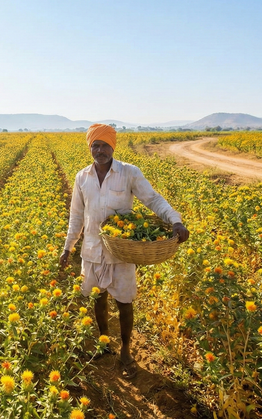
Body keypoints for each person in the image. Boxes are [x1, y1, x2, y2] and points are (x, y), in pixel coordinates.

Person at [59, 123, 190, 379]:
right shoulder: (81, 177)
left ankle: (127, 350)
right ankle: (104, 342)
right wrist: (68, 247)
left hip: (121, 252)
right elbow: (76, 215)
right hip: (92, 250)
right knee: (98, 299)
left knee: (124, 301)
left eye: (104, 145)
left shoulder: (129, 173)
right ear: (90, 148)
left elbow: (152, 199)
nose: (100, 150)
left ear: (113, 146)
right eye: (95, 145)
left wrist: (175, 220)